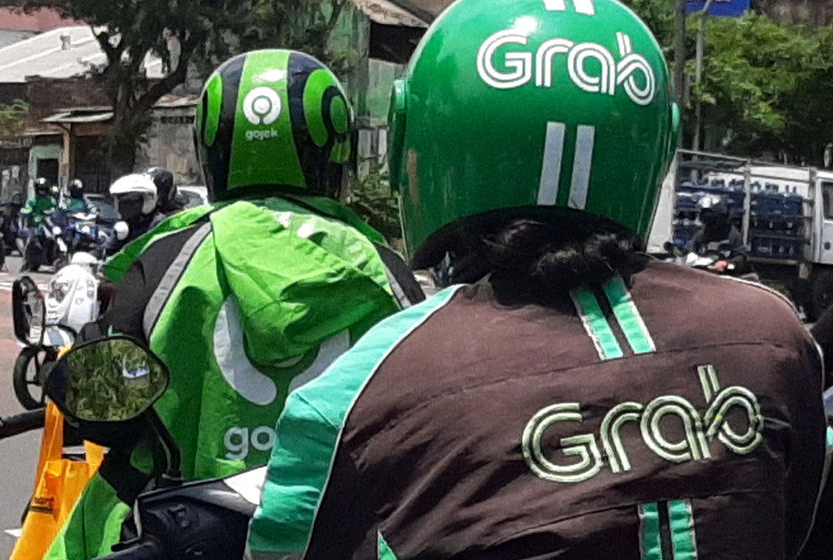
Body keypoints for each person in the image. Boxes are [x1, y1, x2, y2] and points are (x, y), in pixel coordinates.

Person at [245, 1, 828, 559]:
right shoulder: (772, 337)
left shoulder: (358, 395)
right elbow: (792, 527)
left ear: (410, 136)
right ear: (658, 144)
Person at [44, 49, 425, 560]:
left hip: (178, 532)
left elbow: (99, 411)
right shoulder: (384, 269)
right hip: (345, 536)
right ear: (335, 150)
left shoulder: (168, 259)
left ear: (213, 149)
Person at [688, 194, 747, 274]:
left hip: (725, 278)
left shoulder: (733, 235)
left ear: (722, 217)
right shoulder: (700, 235)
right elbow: (690, 254)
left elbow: (741, 257)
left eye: (711, 217)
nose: (708, 221)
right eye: (704, 217)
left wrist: (727, 264)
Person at [20, 178, 59, 271]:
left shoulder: (51, 200)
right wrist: (26, 211)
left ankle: (56, 258)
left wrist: (53, 212)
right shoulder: (32, 201)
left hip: (48, 225)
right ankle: (25, 261)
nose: (42, 191)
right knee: (31, 241)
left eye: (44, 189)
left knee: (56, 238)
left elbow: (56, 210)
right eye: (40, 189)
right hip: (34, 225)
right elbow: (27, 208)